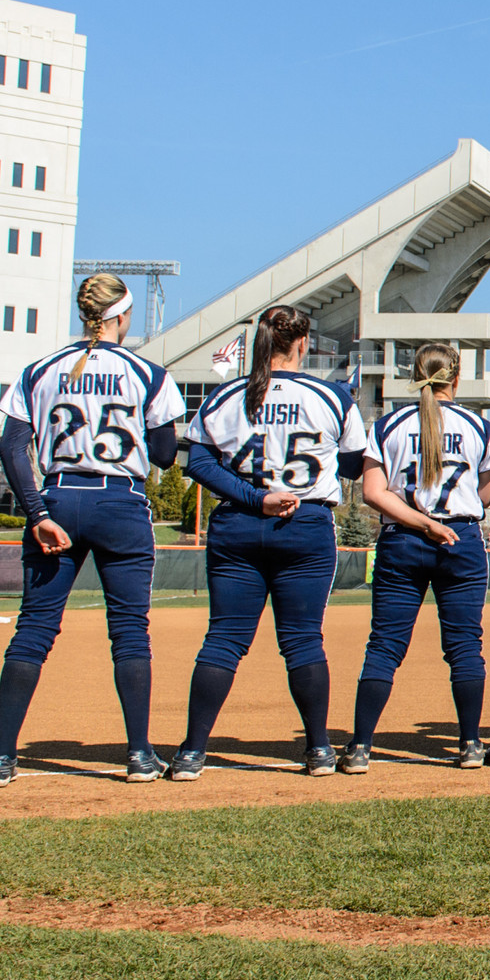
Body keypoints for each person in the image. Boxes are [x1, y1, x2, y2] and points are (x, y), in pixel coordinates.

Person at [0, 273, 186, 786]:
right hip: (121, 501)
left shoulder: (39, 369)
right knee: (129, 633)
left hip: (58, 498)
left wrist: (37, 514)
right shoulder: (147, 371)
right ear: (123, 315)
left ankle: (3, 757)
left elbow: (10, 448)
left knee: (33, 630)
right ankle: (139, 755)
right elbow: (163, 455)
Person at [171, 304, 369, 780]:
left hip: (238, 522)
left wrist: (254, 496)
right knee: (302, 641)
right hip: (306, 523)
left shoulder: (227, 394)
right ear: (303, 344)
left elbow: (197, 463)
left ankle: (191, 753)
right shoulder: (333, 395)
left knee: (223, 640)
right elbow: (354, 465)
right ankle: (319, 750)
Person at [347, 342, 490, 772]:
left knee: (384, 645)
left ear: (414, 375)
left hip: (402, 540)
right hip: (461, 539)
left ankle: (360, 747)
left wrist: (420, 521)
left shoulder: (387, 425)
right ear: (456, 378)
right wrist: (439, 522)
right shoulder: (480, 427)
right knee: (464, 647)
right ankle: (470, 744)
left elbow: (373, 493)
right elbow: (484, 496)